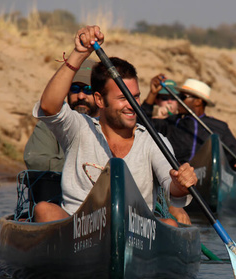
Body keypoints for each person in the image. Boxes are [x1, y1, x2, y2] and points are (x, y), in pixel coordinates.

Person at [32, 25, 196, 226]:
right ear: (99, 100)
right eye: (123, 98)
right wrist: (79, 53)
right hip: (77, 229)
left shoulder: (154, 140)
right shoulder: (80, 128)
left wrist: (182, 183)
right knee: (44, 210)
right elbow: (49, 107)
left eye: (135, 97)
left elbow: (171, 185)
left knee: (170, 224)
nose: (132, 105)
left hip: (134, 229)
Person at [141, 75, 236, 173]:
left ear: (198, 101)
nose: (177, 100)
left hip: (207, 183)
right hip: (176, 180)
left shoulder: (219, 127)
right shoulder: (170, 122)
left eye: (182, 97)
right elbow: (141, 123)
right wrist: (152, 94)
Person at [24, 59, 98, 172]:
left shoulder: (111, 126)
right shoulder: (50, 125)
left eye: (88, 90)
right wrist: (84, 169)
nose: (81, 96)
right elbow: (35, 160)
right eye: (75, 89)